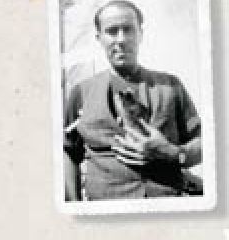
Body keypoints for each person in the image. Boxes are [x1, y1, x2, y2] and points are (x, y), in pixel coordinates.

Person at [63, 0, 202, 201]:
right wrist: (75, 205)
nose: (121, 39)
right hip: (106, 209)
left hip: (165, 206)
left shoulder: (171, 86)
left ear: (140, 34)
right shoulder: (81, 93)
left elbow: (204, 144)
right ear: (99, 38)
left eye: (128, 29)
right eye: (112, 31)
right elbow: (68, 152)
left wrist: (173, 153)